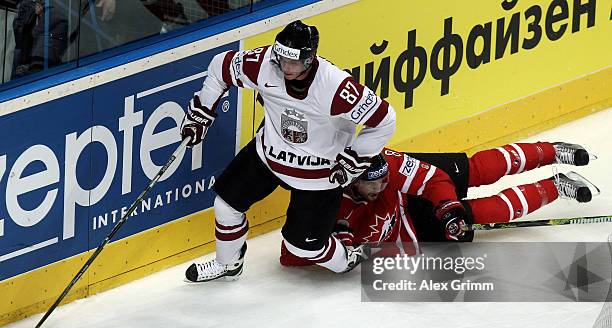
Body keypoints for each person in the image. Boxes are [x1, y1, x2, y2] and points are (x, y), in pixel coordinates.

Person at [180, 20, 396, 282]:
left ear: (310, 58)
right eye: (282, 59)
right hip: (269, 154)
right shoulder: (264, 63)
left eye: (294, 62)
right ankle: (228, 263)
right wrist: (202, 111)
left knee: (302, 247)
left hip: (319, 174)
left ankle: (346, 260)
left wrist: (357, 157)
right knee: (225, 206)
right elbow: (220, 67)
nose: (286, 68)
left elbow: (386, 119)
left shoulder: (335, 86)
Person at [280, 141, 597, 264]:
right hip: (407, 229)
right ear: (351, 180)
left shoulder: (388, 167)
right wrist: (334, 247)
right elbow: (291, 254)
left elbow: (434, 181)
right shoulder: (323, 202)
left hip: (411, 195)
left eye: (382, 179)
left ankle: (551, 151)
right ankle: (555, 187)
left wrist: (447, 208)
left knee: (473, 172)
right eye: (372, 182)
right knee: (479, 215)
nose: (380, 186)